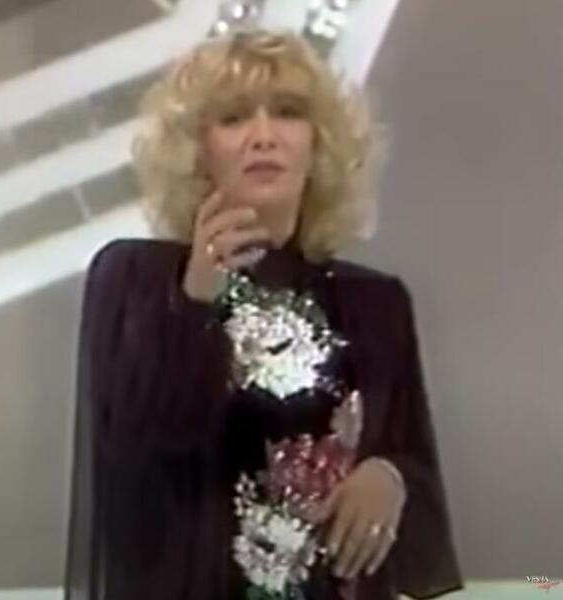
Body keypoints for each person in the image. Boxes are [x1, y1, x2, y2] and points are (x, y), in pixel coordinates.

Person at [64, 29, 463, 600]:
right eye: (233, 118)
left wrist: (392, 476)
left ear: (318, 143)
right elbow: (131, 460)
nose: (263, 136)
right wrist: (198, 296)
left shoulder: (376, 305)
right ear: (197, 150)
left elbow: (415, 474)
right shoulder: (135, 279)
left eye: (288, 112)